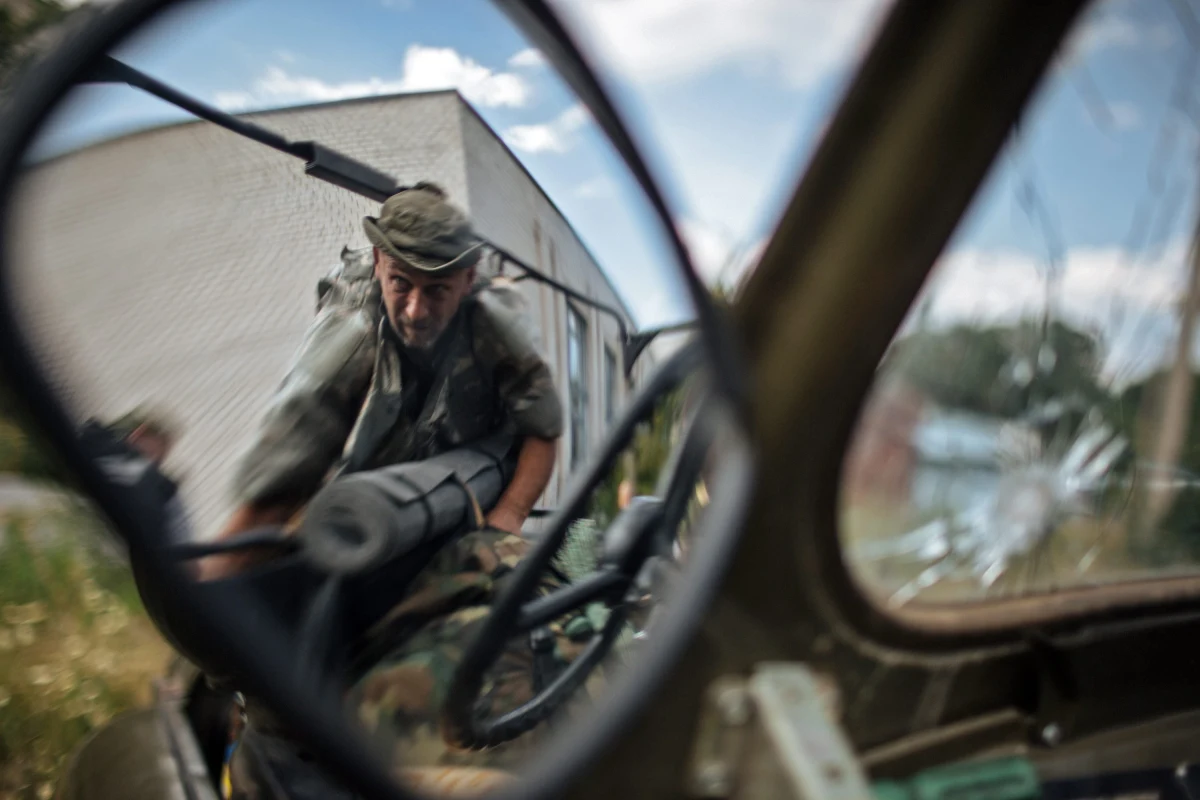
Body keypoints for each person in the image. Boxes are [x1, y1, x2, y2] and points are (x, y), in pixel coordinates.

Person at [212, 184, 583, 795]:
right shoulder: (353, 334)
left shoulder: (495, 327)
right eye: (400, 284)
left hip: (467, 512)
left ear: (468, 280)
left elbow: (543, 428)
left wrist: (507, 517)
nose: (414, 310)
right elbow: (276, 485)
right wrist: (214, 604)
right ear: (379, 265)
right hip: (364, 515)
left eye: (436, 289)